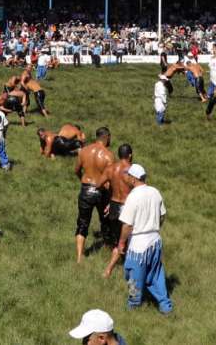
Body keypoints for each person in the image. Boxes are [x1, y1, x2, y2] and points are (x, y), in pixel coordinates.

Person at [115, 164, 173, 314]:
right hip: (155, 241)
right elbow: (162, 215)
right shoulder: (155, 192)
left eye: (128, 175)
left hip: (139, 246)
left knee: (133, 275)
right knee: (156, 273)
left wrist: (121, 243)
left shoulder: (133, 196)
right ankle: (165, 305)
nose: (126, 178)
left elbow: (127, 225)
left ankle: (133, 306)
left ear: (133, 179)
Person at [74, 127, 114, 263]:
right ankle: (109, 248)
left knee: (82, 223)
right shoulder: (108, 155)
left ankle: (79, 257)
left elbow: (76, 170)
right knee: (106, 221)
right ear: (107, 137)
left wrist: (83, 181)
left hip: (86, 189)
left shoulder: (84, 151)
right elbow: (111, 179)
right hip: (101, 190)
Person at [100, 144, 133, 278]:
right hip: (128, 206)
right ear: (130, 155)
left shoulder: (110, 169)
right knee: (127, 240)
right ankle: (110, 269)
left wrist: (110, 194)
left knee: (118, 240)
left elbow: (98, 184)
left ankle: (119, 264)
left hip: (114, 205)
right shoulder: (132, 171)